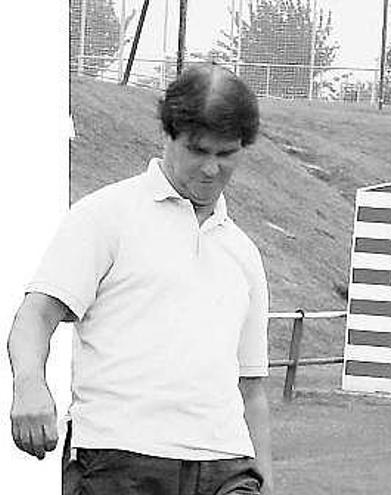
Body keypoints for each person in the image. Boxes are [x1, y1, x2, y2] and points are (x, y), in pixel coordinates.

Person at [8, 64, 273, 494]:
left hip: (227, 466)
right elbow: (35, 316)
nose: (211, 169)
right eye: (197, 150)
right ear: (168, 135)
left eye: (226, 154)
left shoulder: (243, 253)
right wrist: (29, 385)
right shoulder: (104, 217)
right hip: (119, 459)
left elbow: (252, 390)